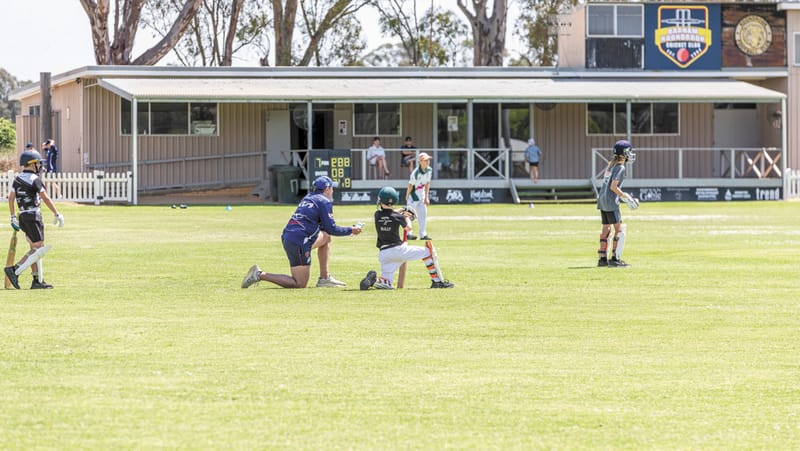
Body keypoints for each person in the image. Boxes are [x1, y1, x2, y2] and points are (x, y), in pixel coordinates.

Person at [241, 176, 362, 289]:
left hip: (290, 236)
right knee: (299, 283)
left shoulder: (309, 197)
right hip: (298, 242)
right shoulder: (324, 201)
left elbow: (324, 228)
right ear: (326, 189)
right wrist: (351, 230)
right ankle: (259, 274)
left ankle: (324, 278)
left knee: (326, 237)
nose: (332, 191)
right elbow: (331, 228)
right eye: (331, 188)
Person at [359, 186, 453, 290]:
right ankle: (437, 281)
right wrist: (406, 217)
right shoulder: (398, 217)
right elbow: (408, 228)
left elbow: (390, 214)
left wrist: (403, 210)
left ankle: (374, 281)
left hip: (384, 254)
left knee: (387, 283)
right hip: (399, 251)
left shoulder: (377, 215)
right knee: (429, 251)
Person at [5, 148, 65, 289]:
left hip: (23, 216)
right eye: (38, 163)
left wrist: (13, 216)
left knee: (33, 249)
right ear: (32, 164)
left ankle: (37, 280)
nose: (39, 165)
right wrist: (57, 214)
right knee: (39, 249)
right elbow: (46, 198)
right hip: (33, 216)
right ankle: (14, 270)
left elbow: (11, 198)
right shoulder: (35, 179)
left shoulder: (17, 179)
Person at [596, 140, 639, 268]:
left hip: (602, 200)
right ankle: (615, 258)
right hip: (610, 201)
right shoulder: (620, 167)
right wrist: (625, 196)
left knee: (606, 228)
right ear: (624, 153)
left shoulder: (610, 165)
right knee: (620, 230)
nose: (630, 154)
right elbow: (613, 186)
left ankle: (602, 259)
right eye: (629, 152)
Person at [405, 152, 433, 240]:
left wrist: (427, 197)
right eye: (425, 160)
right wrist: (407, 196)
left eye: (428, 160)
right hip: (413, 195)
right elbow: (410, 185)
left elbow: (427, 183)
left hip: (422, 195)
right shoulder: (416, 173)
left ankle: (423, 234)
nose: (428, 161)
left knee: (423, 214)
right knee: (410, 214)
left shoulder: (429, 170)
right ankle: (408, 234)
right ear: (420, 161)